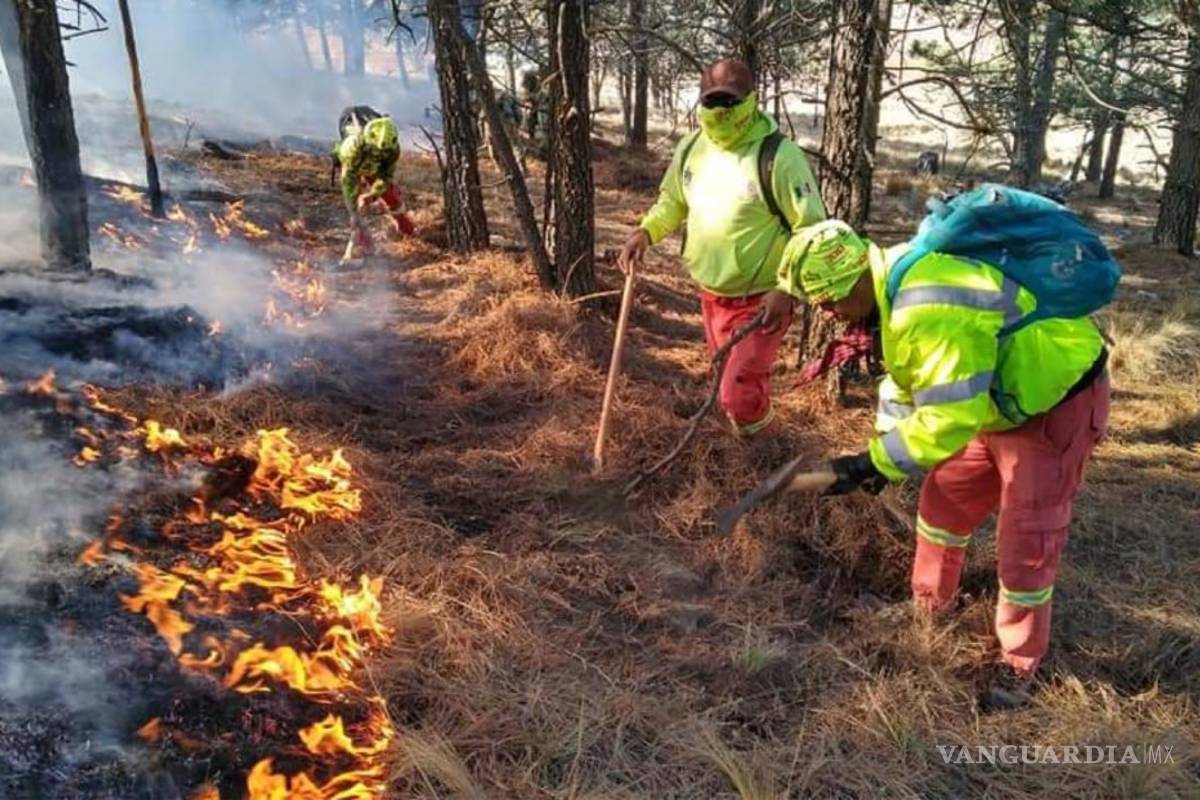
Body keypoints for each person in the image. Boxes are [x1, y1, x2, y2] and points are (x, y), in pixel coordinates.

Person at [781, 218, 1111, 711]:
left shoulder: (926, 302)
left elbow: (950, 415)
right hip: (995, 404)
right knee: (944, 503)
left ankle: (1019, 659)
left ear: (850, 280)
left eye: (827, 301)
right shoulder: (895, 287)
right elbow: (910, 382)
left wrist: (872, 463)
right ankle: (927, 606)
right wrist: (881, 454)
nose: (827, 314)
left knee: (1027, 537)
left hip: (1053, 402)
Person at [618, 58, 826, 437]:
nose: (720, 110)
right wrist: (645, 232)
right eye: (711, 101)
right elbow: (673, 203)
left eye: (730, 101)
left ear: (750, 100)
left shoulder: (778, 156)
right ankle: (749, 442)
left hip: (762, 301)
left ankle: (764, 452)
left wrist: (785, 290)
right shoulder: (691, 148)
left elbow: (812, 229)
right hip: (711, 297)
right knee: (729, 383)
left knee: (736, 394)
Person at [332, 106, 415, 263]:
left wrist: (372, 195)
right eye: (375, 151)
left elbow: (386, 176)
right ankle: (366, 246)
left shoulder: (392, 149)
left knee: (390, 195)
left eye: (382, 152)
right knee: (355, 215)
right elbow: (348, 180)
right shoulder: (351, 148)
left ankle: (406, 228)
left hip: (374, 167)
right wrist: (354, 209)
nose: (380, 154)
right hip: (353, 166)